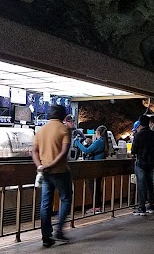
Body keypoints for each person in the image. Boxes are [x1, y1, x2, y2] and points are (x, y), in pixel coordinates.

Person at [32, 105, 72, 247]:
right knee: (66, 199)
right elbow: (64, 152)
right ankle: (59, 231)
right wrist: (52, 164)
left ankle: (46, 236)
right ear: (63, 116)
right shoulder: (64, 129)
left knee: (45, 204)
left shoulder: (41, 130)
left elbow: (34, 151)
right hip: (60, 171)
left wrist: (40, 166)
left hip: (45, 173)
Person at [74, 125, 110, 214]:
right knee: (96, 187)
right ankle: (98, 206)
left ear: (98, 133)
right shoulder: (103, 141)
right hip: (99, 167)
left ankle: (96, 207)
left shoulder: (99, 141)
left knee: (93, 187)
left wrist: (77, 142)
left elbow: (87, 150)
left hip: (94, 167)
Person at [131, 115, 154, 215]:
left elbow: (133, 150)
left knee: (141, 185)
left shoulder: (138, 136)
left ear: (140, 123)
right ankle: (151, 205)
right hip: (151, 162)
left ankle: (141, 207)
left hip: (141, 162)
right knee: (150, 184)